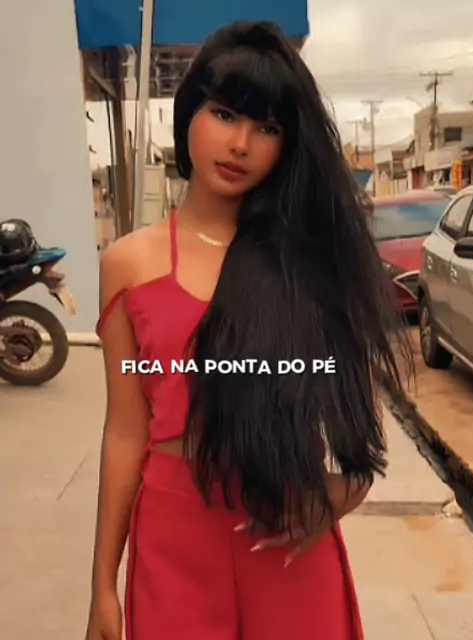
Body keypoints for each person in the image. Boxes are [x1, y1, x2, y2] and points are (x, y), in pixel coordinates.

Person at [85, 20, 412, 640]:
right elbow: (125, 430)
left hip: (285, 532)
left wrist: (344, 491)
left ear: (288, 145)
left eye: (267, 127)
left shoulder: (309, 261)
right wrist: (103, 583)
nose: (240, 144)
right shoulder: (128, 264)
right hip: (174, 535)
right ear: (189, 114)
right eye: (225, 113)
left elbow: (355, 414)